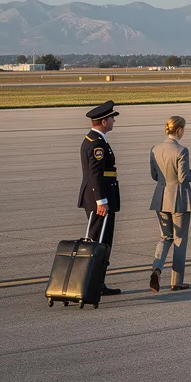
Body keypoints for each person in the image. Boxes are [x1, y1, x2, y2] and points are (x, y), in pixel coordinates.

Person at [148, 115, 191, 291]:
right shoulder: (182, 151)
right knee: (180, 239)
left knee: (164, 237)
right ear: (180, 130)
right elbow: (183, 178)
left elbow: (154, 175)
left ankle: (157, 269)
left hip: (160, 198)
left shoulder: (155, 149)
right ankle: (177, 281)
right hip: (179, 199)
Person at [78, 100, 121, 296]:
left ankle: (97, 282)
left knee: (100, 242)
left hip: (99, 197)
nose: (113, 120)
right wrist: (101, 201)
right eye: (112, 118)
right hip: (100, 200)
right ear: (104, 121)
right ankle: (93, 283)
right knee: (100, 243)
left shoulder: (93, 139)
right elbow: (95, 175)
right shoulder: (97, 144)